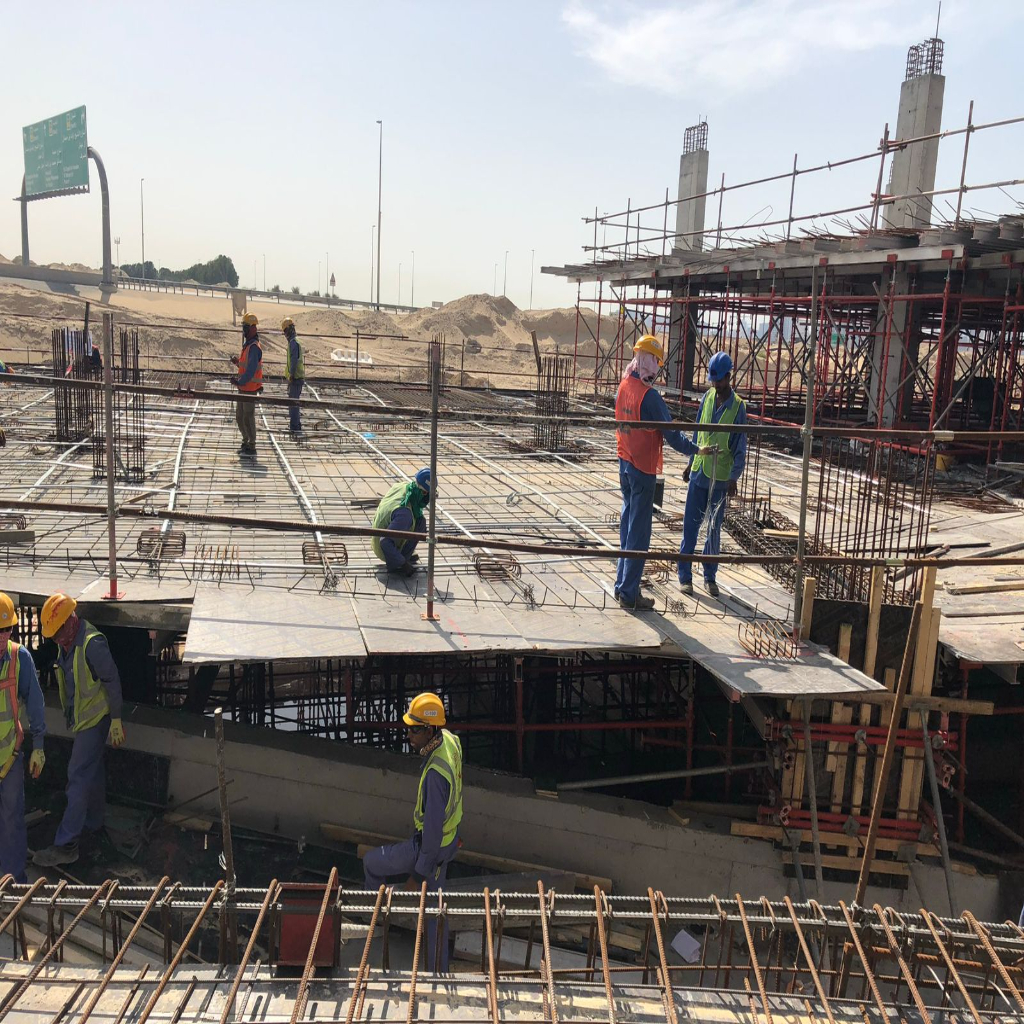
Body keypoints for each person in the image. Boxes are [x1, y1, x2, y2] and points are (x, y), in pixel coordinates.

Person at [362, 692, 462, 972]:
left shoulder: (434, 776)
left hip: (430, 849)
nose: (409, 735)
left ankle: (377, 923)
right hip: (448, 843)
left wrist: (417, 875)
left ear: (431, 730)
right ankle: (439, 972)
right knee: (435, 910)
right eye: (408, 728)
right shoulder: (452, 742)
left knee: (371, 863)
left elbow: (430, 835)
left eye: (415, 729)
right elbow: (459, 794)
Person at [614, 334, 706, 610]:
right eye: (655, 362)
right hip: (642, 467)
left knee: (627, 524)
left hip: (624, 461)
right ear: (651, 362)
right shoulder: (649, 396)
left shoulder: (624, 385)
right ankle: (629, 594)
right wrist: (696, 450)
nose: (656, 369)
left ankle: (621, 585)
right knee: (639, 533)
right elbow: (672, 436)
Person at [33, 593, 125, 868]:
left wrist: (117, 719)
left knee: (77, 775)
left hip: (95, 720)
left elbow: (111, 679)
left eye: (58, 632)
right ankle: (94, 823)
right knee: (91, 773)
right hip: (83, 720)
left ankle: (66, 844)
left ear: (70, 621)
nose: (56, 639)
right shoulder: (67, 642)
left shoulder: (91, 644)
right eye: (52, 636)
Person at [678, 351, 747, 599]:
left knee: (714, 530)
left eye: (719, 381)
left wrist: (734, 478)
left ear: (729, 377)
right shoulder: (707, 398)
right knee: (690, 528)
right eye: (713, 381)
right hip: (699, 473)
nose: (715, 385)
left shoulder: (738, 407)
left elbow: (740, 447)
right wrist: (690, 463)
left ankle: (710, 577)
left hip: (720, 478)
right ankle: (684, 576)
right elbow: (698, 434)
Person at [0, 593, 46, 883]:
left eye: (7, 630)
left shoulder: (20, 658)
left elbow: (36, 703)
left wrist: (38, 746)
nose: (2, 636)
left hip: (10, 756)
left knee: (12, 819)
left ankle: (12, 879)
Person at [371, 468, 431, 577]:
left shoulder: (404, 486)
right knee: (415, 523)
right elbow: (385, 542)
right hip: (383, 549)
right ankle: (397, 561)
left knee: (420, 522)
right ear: (423, 492)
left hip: (377, 533)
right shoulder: (404, 514)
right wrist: (403, 564)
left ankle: (401, 555)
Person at [230, 313, 263, 458]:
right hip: (243, 388)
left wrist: (239, 382)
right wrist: (238, 363)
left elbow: (250, 371)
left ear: (252, 328)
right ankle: (245, 441)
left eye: (245, 327)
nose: (243, 330)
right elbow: (245, 366)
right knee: (240, 417)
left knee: (248, 417)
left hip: (248, 388)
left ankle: (252, 445)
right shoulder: (248, 346)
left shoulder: (254, 347)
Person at [281, 317, 305, 435]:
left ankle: (295, 427)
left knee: (293, 404)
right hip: (296, 377)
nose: (285, 334)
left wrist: (291, 375)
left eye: (285, 331)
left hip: (295, 378)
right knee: (294, 403)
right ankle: (296, 425)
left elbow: (294, 360)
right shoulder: (296, 341)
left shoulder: (294, 343)